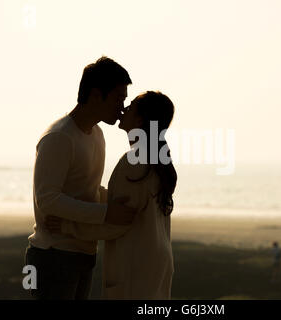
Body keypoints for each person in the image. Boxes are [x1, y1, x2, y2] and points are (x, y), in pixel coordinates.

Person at [45, 91, 177, 299]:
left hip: (136, 264)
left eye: (131, 105)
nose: (124, 108)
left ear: (140, 119)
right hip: (157, 262)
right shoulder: (158, 162)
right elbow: (130, 206)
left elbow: (118, 223)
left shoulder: (134, 164)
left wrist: (67, 226)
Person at [24, 56, 137, 300]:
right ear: (96, 95)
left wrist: (123, 204)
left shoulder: (97, 134)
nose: (123, 107)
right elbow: (47, 199)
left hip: (83, 252)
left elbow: (88, 188)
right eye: (119, 98)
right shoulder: (59, 137)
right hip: (53, 256)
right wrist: (107, 213)